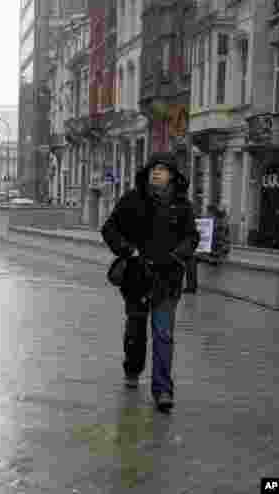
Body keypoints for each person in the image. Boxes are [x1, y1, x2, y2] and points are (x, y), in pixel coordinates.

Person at [101, 153, 199, 412]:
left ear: (172, 176)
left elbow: (192, 237)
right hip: (137, 278)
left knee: (163, 335)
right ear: (148, 172)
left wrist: (178, 256)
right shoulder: (133, 200)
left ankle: (163, 390)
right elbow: (109, 229)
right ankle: (132, 369)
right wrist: (126, 250)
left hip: (167, 280)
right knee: (136, 330)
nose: (157, 172)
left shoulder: (182, 206)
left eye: (163, 169)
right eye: (154, 168)